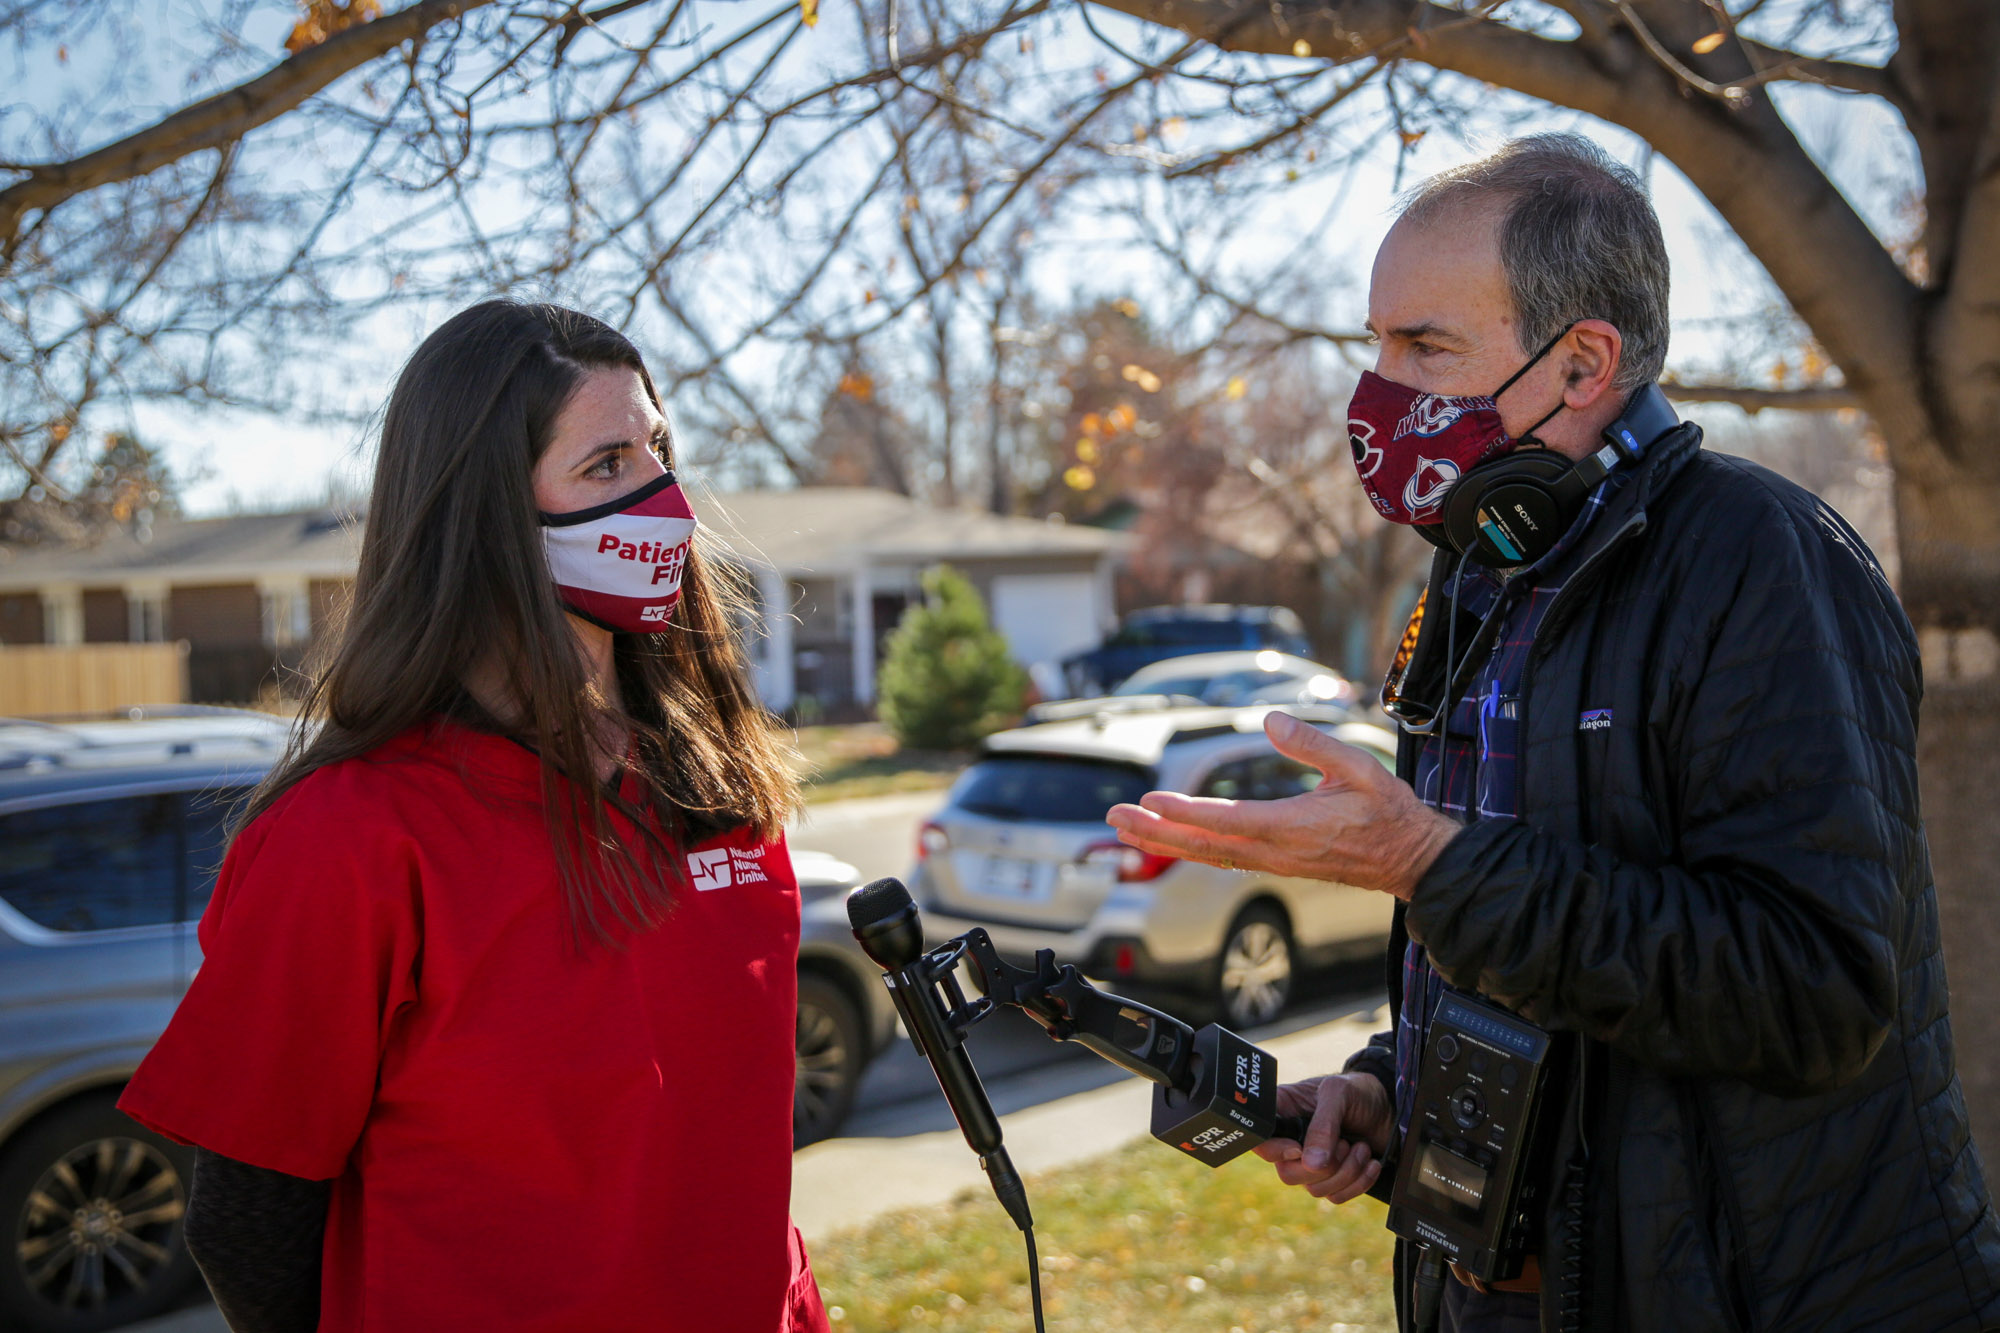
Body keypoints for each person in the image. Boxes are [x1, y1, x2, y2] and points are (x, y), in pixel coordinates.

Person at [1108, 134, 2000, 1332]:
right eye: (1372, 343)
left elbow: (1812, 993)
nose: (1376, 395)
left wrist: (1429, 864)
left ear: (1583, 360)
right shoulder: (1483, 569)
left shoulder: (1757, 558)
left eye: (1423, 345)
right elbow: (1529, 949)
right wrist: (1392, 1087)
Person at [118, 301, 830, 1333]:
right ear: (485, 508)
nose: (667, 503)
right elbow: (246, 1221)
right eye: (606, 465)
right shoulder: (352, 834)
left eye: (659, 452)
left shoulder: (714, 786)